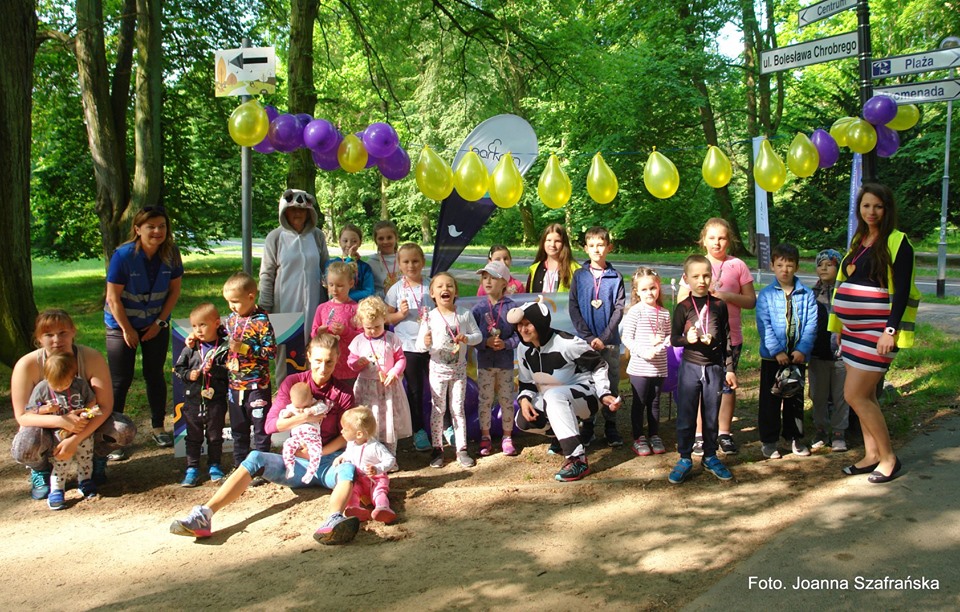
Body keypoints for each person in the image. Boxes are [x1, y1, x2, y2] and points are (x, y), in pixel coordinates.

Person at [170, 333, 363, 545]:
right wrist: (304, 417)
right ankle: (204, 515)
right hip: (296, 463)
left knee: (348, 468)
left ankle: (334, 520)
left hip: (327, 463)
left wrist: (320, 452)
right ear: (308, 356)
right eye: (318, 361)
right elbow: (270, 425)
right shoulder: (293, 383)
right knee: (255, 457)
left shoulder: (343, 392)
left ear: (338, 359)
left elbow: (346, 434)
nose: (323, 368)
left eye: (329, 362)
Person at [829, 183, 919, 483]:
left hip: (878, 332)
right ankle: (872, 455)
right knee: (866, 396)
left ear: (887, 209)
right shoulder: (859, 240)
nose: (871, 211)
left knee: (854, 394)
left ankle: (889, 458)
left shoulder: (897, 242)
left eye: (878, 206)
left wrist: (889, 331)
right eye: (866, 205)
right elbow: (843, 284)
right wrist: (840, 326)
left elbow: (902, 291)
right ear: (859, 208)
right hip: (853, 333)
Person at [10, 309, 136, 500]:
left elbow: (104, 406)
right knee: (23, 445)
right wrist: (61, 421)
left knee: (123, 429)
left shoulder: (91, 358)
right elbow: (22, 416)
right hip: (47, 429)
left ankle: (96, 459)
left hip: (86, 425)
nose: (56, 340)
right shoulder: (27, 365)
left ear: (73, 332)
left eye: (62, 333)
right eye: (49, 335)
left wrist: (75, 439)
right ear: (39, 338)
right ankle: (40, 470)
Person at [510, 299, 621, 482]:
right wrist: (524, 400)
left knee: (553, 396)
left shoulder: (566, 342)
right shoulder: (523, 348)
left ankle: (577, 459)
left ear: (540, 323)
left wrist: (604, 392)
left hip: (587, 396)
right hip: (556, 400)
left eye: (528, 324)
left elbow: (599, 364)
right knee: (522, 420)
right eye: (519, 325)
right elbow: (527, 382)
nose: (523, 329)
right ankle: (562, 437)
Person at [104, 205, 182, 454]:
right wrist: (127, 330)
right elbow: (113, 298)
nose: (157, 231)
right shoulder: (123, 255)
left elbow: (174, 291)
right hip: (121, 324)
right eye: (151, 227)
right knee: (120, 380)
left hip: (155, 323)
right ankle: (113, 436)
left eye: (162, 226)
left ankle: (158, 427)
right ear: (138, 229)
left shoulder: (171, 253)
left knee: (154, 374)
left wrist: (159, 323)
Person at [678, 218, 756, 456]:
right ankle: (700, 434)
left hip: (730, 338)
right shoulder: (696, 264)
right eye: (712, 238)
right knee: (701, 386)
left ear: (729, 240)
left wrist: (726, 296)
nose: (717, 243)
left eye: (722, 238)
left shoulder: (738, 265)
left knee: (726, 385)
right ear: (703, 240)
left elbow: (751, 301)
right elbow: (681, 300)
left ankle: (724, 432)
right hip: (700, 340)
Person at [668, 255, 737, 484]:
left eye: (706, 275)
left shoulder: (719, 305)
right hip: (690, 367)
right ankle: (684, 458)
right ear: (686, 278)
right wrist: (686, 339)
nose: (701, 280)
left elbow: (727, 338)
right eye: (696, 276)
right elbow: (674, 339)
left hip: (714, 368)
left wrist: (729, 368)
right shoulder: (683, 307)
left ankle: (710, 456)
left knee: (711, 414)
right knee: (686, 414)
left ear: (712, 277)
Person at [259, 189, 329, 383]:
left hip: (314, 304)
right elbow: (267, 273)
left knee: (314, 348)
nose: (298, 213)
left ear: (309, 212)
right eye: (292, 209)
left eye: (302, 210)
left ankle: (311, 391)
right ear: (284, 212)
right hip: (285, 305)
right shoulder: (275, 237)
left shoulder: (317, 236)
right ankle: (285, 393)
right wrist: (264, 306)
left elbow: (326, 268)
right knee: (286, 353)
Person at [755, 244, 818, 460]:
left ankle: (794, 437)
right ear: (772, 266)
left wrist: (802, 350)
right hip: (772, 358)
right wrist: (776, 351)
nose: (785, 270)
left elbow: (811, 325)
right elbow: (764, 325)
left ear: (797, 267)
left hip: (797, 358)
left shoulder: (806, 294)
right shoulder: (766, 295)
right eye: (780, 265)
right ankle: (769, 441)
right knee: (770, 400)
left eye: (789, 265)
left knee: (795, 399)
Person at [417, 272, 482, 468]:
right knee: (438, 410)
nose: (445, 289)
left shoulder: (464, 314)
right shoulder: (429, 317)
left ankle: (461, 449)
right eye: (440, 286)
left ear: (456, 291)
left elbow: (478, 336)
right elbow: (420, 346)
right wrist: (425, 342)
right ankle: (438, 449)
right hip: (437, 371)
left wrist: (467, 339)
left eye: (449, 286)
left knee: (457, 409)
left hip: (459, 371)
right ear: (432, 293)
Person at [569, 226, 626, 447]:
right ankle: (588, 426)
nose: (596, 249)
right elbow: (573, 307)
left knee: (611, 383)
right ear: (585, 248)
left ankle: (611, 426)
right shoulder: (579, 276)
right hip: (585, 343)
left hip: (609, 343)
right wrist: (587, 336)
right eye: (592, 245)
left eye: (601, 245)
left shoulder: (615, 277)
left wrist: (604, 337)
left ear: (609, 247)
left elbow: (618, 310)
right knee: (587, 382)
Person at [222, 272, 277, 479]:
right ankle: (240, 467)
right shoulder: (231, 320)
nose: (231, 306)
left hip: (257, 386)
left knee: (261, 429)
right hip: (235, 385)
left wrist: (244, 348)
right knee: (238, 429)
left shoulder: (261, 321)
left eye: (235, 301)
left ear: (251, 297)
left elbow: (271, 352)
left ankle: (262, 469)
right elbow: (219, 341)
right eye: (228, 302)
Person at [27, 352, 100, 509]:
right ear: (47, 377)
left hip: (83, 432)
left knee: (85, 458)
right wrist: (46, 409)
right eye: (56, 385)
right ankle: (57, 489)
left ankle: (85, 481)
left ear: (73, 376)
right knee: (61, 462)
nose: (60, 388)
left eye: (64, 384)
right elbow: (32, 408)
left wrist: (87, 413)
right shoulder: (42, 388)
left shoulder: (79, 385)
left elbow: (92, 401)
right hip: (60, 435)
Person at [172, 303, 230, 487]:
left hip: (216, 400)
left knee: (215, 435)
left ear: (216, 323)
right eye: (194, 326)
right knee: (193, 436)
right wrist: (189, 374)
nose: (198, 330)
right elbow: (178, 369)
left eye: (203, 325)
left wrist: (215, 370)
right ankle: (192, 468)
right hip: (193, 400)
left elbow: (230, 372)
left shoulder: (224, 348)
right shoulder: (190, 348)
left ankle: (215, 465)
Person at [347, 296, 411, 457]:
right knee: (368, 420)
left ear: (384, 319)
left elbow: (401, 359)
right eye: (368, 328)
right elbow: (351, 362)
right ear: (361, 324)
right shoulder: (359, 341)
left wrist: (394, 372)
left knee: (389, 421)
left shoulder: (391, 339)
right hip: (367, 388)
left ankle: (390, 456)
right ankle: (372, 455)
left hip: (388, 387)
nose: (373, 331)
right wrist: (357, 363)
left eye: (377, 326)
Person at [385, 243, 434, 451]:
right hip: (408, 346)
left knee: (439, 386)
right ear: (399, 264)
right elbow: (387, 318)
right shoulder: (395, 289)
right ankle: (419, 430)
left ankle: (446, 425)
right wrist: (400, 314)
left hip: (432, 345)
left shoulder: (432, 285)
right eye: (406, 261)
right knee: (415, 390)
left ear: (423, 262)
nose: (411, 265)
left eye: (415, 261)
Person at [470, 261, 520, 457]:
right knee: (485, 400)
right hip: (485, 364)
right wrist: (485, 343)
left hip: (505, 364)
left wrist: (505, 344)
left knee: (506, 400)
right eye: (484, 277)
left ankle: (507, 437)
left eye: (493, 278)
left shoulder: (512, 308)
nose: (488, 281)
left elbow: (519, 336)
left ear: (504, 283)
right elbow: (472, 337)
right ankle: (485, 436)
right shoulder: (478, 309)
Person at [621, 267, 670, 457]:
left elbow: (669, 336)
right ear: (637, 292)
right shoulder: (635, 312)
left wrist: (663, 343)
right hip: (640, 368)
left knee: (655, 402)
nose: (649, 292)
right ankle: (638, 437)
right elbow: (626, 338)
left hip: (659, 367)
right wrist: (643, 352)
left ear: (659, 288)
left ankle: (654, 435)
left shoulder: (664, 313)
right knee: (639, 402)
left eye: (653, 288)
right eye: (644, 289)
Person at [808, 248, 850, 452]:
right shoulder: (811, 294)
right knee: (818, 395)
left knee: (841, 396)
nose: (823, 268)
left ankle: (839, 432)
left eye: (829, 265)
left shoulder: (846, 293)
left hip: (842, 354)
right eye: (820, 265)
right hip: (817, 353)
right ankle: (821, 429)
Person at [337, 406, 399, 524]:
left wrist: (377, 469)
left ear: (359, 434)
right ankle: (354, 509)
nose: (341, 431)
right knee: (352, 491)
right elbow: (348, 453)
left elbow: (390, 460)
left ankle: (382, 508)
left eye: (345, 429)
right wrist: (341, 457)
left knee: (379, 492)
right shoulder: (352, 443)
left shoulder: (375, 447)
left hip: (375, 480)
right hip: (358, 479)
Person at [310, 261, 361, 386]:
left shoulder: (356, 309)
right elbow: (313, 334)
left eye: (340, 285)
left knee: (348, 394)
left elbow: (362, 337)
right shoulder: (322, 308)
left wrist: (346, 332)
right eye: (331, 284)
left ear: (351, 284)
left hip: (348, 366)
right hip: (326, 365)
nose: (334, 289)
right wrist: (319, 332)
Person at [279, 382, 329, 484]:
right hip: (296, 436)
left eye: (305, 406)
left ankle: (311, 472)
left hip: (312, 436)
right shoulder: (291, 407)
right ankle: (289, 466)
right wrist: (286, 414)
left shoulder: (315, 403)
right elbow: (281, 414)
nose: (301, 410)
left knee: (316, 453)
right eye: (298, 407)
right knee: (287, 446)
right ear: (292, 400)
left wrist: (312, 410)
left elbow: (323, 407)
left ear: (311, 398)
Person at [525, 223, 580, 293]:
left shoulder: (575, 270)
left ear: (564, 244)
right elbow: (528, 295)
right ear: (543, 242)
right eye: (548, 240)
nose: (552, 245)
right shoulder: (534, 269)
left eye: (557, 241)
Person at [330, 223, 375, 302]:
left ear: (360, 242)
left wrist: (344, 295)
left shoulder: (364, 267)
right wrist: (349, 259)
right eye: (345, 241)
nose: (349, 244)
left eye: (354, 241)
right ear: (339, 241)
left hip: (359, 307)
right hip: (337, 306)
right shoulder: (332, 264)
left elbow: (369, 292)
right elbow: (332, 290)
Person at [367, 220, 401, 297]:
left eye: (389, 237)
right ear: (376, 241)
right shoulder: (371, 264)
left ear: (396, 238)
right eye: (381, 238)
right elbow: (368, 293)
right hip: (381, 302)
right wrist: (384, 293)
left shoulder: (405, 259)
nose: (385, 242)